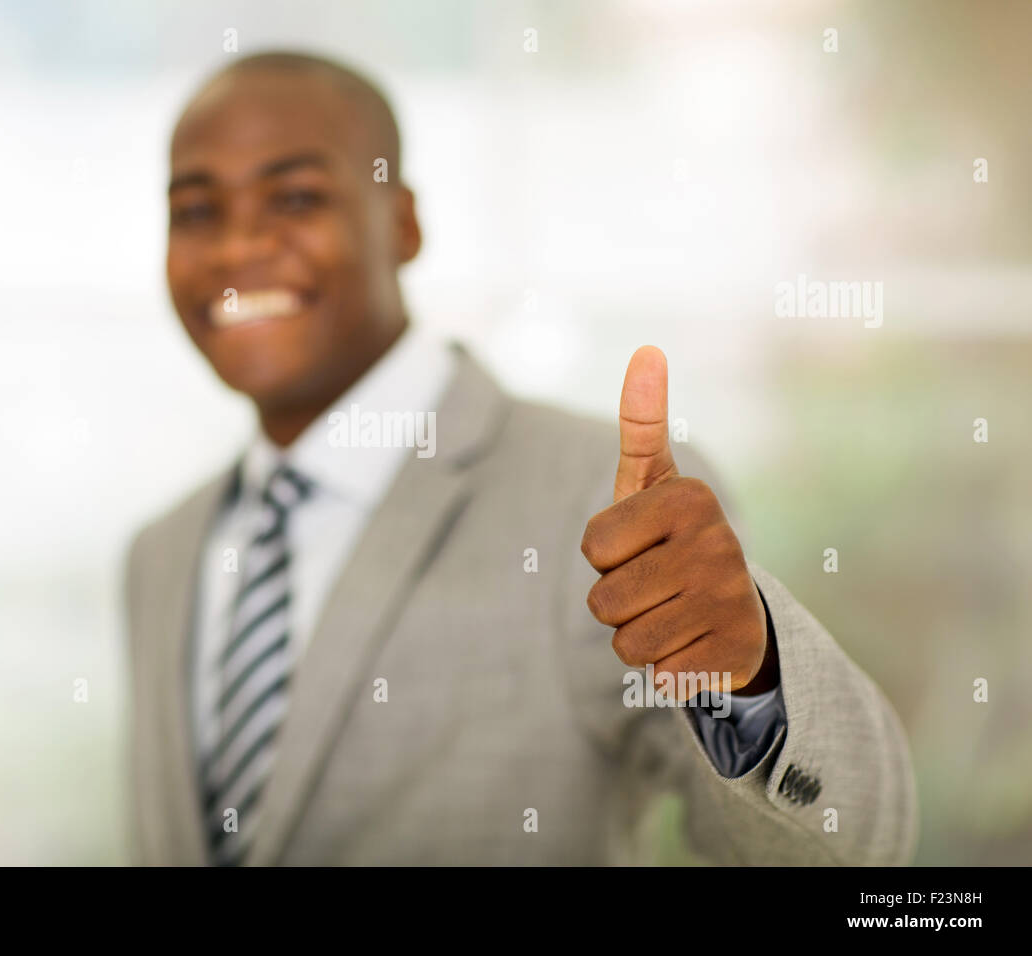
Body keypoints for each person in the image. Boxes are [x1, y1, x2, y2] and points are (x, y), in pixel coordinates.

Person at [123, 51, 917, 866]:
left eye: (294, 198)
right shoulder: (163, 555)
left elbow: (838, 853)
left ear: (402, 223)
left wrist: (753, 678)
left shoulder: (600, 504)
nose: (237, 247)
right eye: (195, 211)